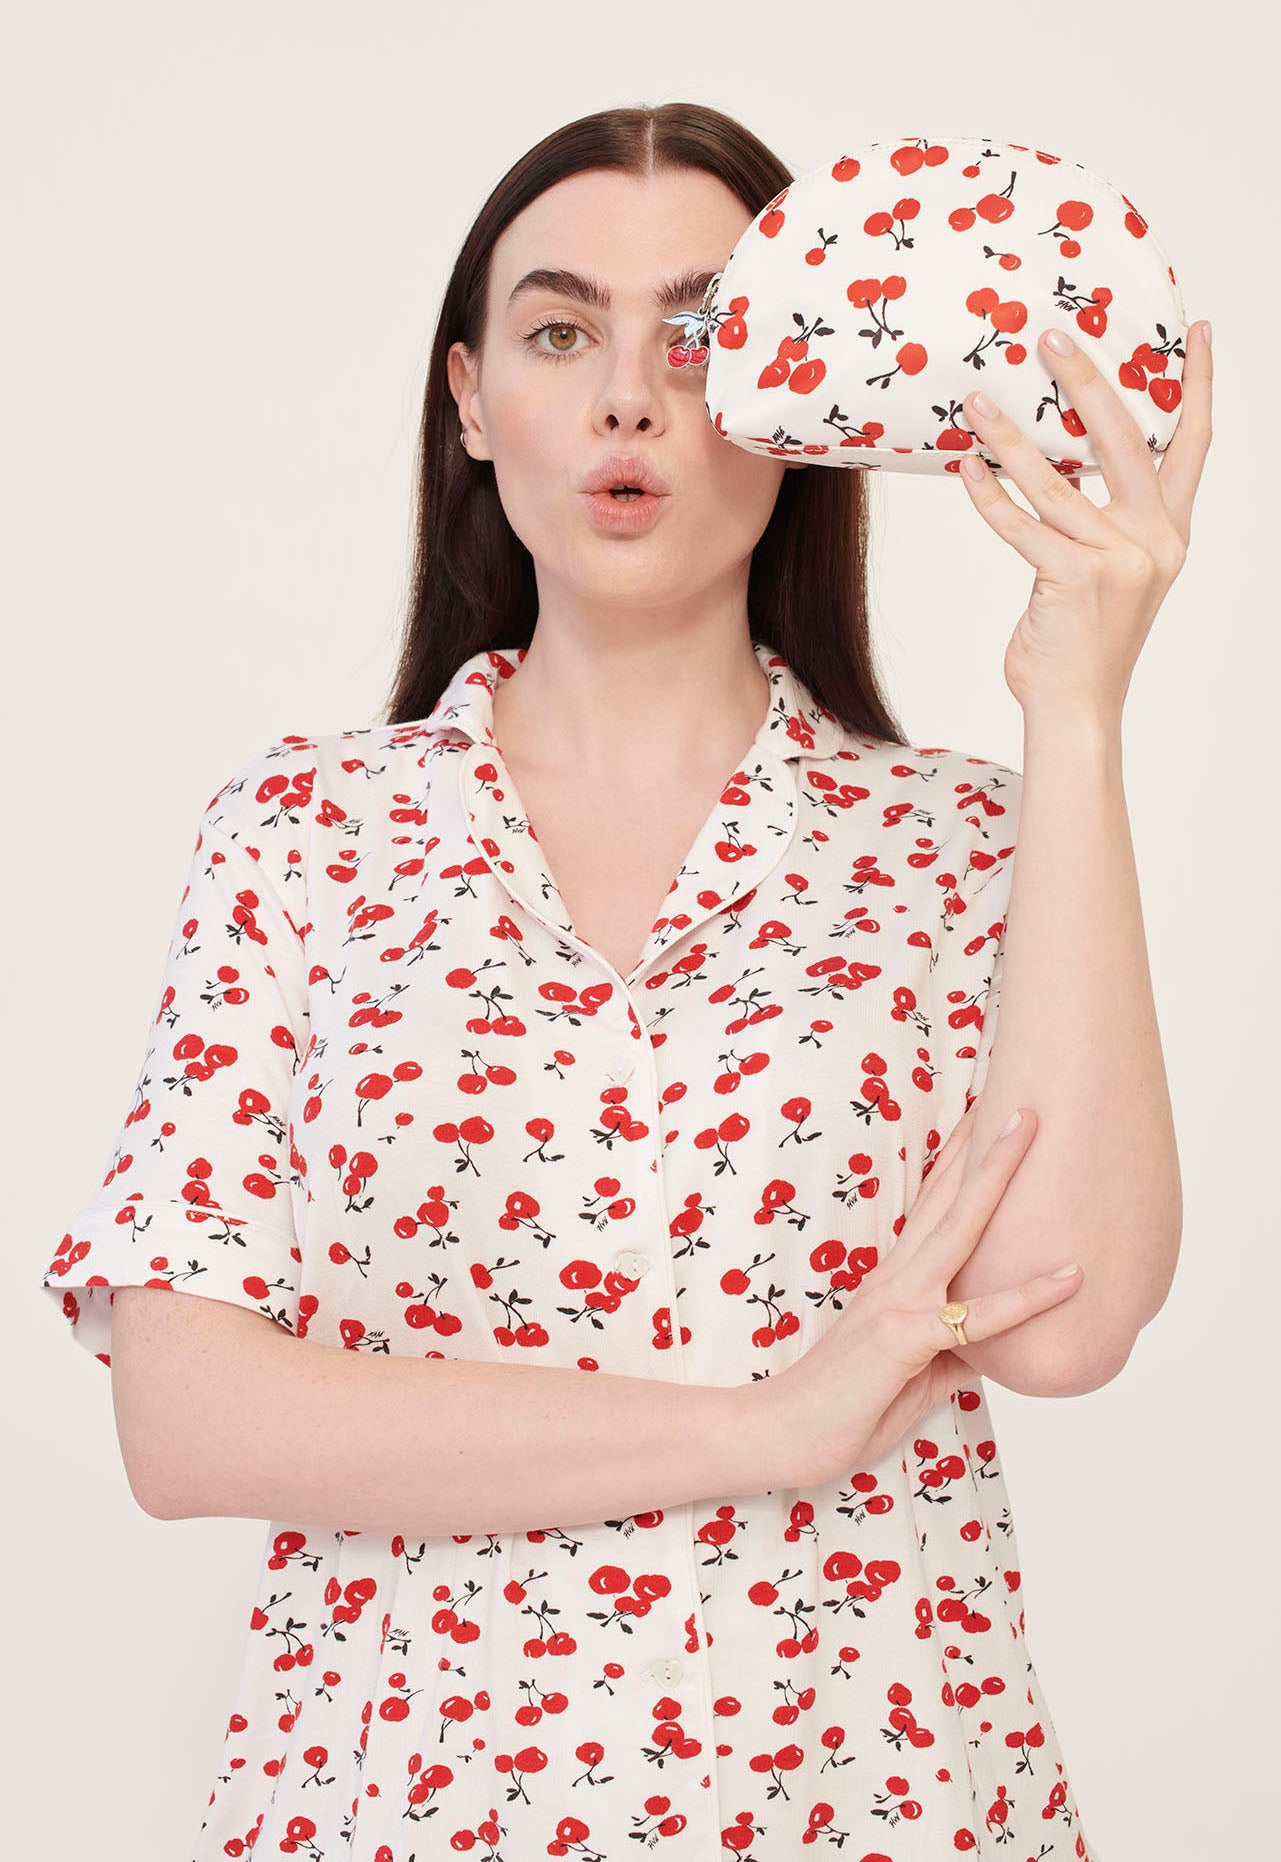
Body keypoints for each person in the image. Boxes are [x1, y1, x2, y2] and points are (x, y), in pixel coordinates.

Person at [42, 101, 1204, 1859]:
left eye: (706, 328)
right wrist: (761, 1425)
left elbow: (1068, 1314)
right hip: (408, 1809)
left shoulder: (962, 840)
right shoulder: (305, 834)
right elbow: (188, 1417)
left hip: (867, 1796)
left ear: (796, 391)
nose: (627, 395)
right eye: (561, 328)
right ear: (466, 395)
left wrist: (1078, 704)